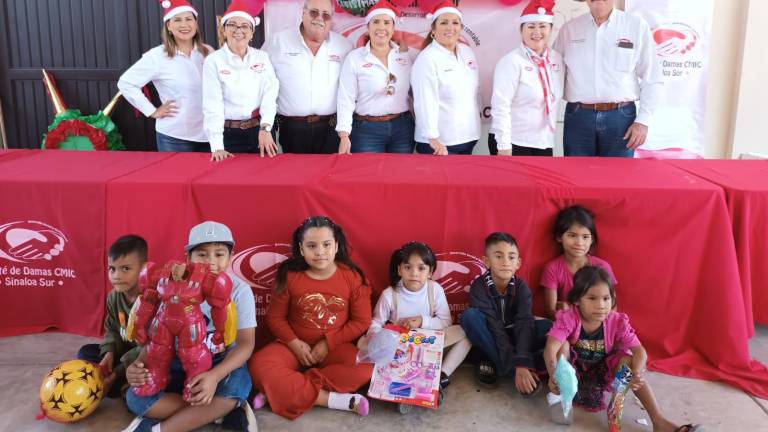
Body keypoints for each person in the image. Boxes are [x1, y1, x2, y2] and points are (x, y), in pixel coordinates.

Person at [122, 221, 257, 432]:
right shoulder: (168, 286)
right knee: (135, 397)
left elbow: (246, 344)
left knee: (236, 385)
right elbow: (157, 336)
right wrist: (138, 365)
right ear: (188, 258)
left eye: (219, 254)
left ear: (231, 257)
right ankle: (218, 410)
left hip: (219, 361)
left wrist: (214, 376)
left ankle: (158, 429)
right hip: (175, 359)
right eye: (202, 254)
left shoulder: (240, 290)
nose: (211, 261)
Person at [544, 266, 701, 431]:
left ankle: (656, 420)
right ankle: (561, 397)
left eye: (606, 298)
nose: (601, 305)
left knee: (629, 364)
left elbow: (639, 351)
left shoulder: (616, 321)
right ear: (577, 300)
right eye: (592, 298)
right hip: (572, 375)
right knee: (563, 345)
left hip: (603, 371)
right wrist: (553, 374)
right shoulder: (569, 318)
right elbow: (550, 349)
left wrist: (637, 374)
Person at [248, 216, 373, 420]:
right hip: (293, 346)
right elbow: (275, 318)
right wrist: (295, 343)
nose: (320, 252)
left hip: (335, 348)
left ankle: (281, 390)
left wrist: (328, 342)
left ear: (336, 246)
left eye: (326, 245)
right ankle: (335, 400)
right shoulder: (289, 276)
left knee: (365, 370)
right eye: (311, 246)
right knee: (257, 366)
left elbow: (361, 321)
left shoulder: (352, 276)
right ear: (301, 248)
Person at [361, 241, 472, 400]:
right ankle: (398, 381)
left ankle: (441, 377)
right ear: (399, 270)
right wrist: (377, 338)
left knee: (465, 334)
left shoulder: (435, 290)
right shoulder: (390, 294)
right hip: (400, 350)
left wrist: (422, 321)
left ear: (430, 272)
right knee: (365, 343)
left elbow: (446, 322)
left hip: (429, 346)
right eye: (408, 267)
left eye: (421, 268)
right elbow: (376, 323)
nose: (414, 273)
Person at [554, 0, 663, 157]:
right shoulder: (569, 30)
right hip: (578, 118)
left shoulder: (636, 26)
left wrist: (643, 121)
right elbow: (553, 75)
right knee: (577, 177)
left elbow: (652, 78)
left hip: (621, 119)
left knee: (619, 179)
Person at [459, 232, 552, 396]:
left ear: (518, 263)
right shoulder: (479, 287)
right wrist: (518, 365)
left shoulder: (521, 287)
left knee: (548, 327)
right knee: (470, 317)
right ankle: (509, 369)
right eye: (498, 256)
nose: (505, 262)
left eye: (511, 257)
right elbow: (494, 326)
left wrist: (521, 362)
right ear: (487, 261)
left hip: (514, 335)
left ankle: (501, 363)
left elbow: (525, 322)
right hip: (490, 336)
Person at [117, 0, 211, 153]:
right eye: (177, 20)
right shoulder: (157, 56)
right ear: (169, 26)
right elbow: (126, 83)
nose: (184, 25)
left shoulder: (208, 52)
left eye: (189, 19)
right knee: (177, 177)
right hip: (175, 137)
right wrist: (152, 111)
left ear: (195, 23)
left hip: (210, 134)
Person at [264, 0, 353, 154]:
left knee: (328, 176)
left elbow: (349, 91)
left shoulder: (344, 46)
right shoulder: (277, 42)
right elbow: (262, 83)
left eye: (326, 15)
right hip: (291, 129)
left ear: (331, 19)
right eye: (314, 12)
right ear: (303, 13)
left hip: (331, 129)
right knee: (295, 177)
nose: (319, 18)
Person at [202, 0, 279, 162]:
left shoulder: (262, 57)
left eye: (245, 26)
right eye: (232, 25)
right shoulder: (213, 61)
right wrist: (217, 146)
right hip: (230, 135)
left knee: (265, 181)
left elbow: (269, 95)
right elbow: (212, 105)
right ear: (224, 30)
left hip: (261, 132)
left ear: (251, 33)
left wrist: (266, 127)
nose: (239, 30)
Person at [336, 0, 416, 154]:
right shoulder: (355, 58)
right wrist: (344, 134)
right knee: (369, 177)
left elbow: (417, 92)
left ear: (393, 28)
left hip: (403, 129)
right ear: (368, 27)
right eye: (376, 22)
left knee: (400, 175)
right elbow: (345, 98)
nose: (381, 27)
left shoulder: (405, 57)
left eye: (387, 22)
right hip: (367, 131)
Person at [77, 235, 147, 399]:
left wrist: (117, 371)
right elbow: (113, 330)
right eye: (112, 269)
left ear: (144, 269)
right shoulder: (113, 297)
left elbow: (150, 347)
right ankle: (117, 384)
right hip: (123, 351)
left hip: (144, 356)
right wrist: (108, 352)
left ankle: (119, 383)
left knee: (149, 369)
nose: (116, 275)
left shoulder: (153, 300)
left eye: (125, 269)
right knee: (85, 353)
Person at [490, 0, 563, 156]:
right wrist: (503, 145)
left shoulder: (557, 60)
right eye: (530, 26)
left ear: (551, 29)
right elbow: (500, 105)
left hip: (544, 142)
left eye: (542, 26)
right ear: (521, 30)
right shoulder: (511, 61)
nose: (537, 32)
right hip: (513, 142)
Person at [411, 1, 480, 155]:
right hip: (439, 143)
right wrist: (432, 138)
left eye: (455, 22)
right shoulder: (427, 59)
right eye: (444, 23)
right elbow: (424, 101)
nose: (450, 27)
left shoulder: (467, 52)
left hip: (468, 137)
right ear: (433, 31)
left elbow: (475, 94)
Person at [540, 205, 617, 321]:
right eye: (572, 235)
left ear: (592, 240)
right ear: (559, 237)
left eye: (585, 237)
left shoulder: (603, 267)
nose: (579, 243)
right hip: (567, 326)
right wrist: (563, 312)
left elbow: (613, 306)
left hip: (599, 326)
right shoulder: (552, 268)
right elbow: (551, 311)